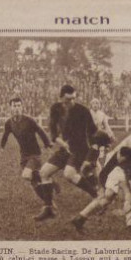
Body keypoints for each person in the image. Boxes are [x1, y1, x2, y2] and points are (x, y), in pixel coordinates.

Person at [36, 84, 100, 222]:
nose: (71, 102)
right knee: (44, 173)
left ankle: (97, 197)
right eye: (68, 99)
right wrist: (63, 143)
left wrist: (93, 153)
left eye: (73, 99)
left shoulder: (82, 111)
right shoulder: (55, 108)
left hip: (80, 148)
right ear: (61, 98)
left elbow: (94, 132)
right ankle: (48, 208)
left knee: (69, 174)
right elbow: (53, 131)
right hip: (65, 148)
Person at [0, 96, 56, 218]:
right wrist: (1, 147)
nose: (17, 108)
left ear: (22, 107)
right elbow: (5, 135)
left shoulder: (29, 120)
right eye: (14, 106)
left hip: (35, 154)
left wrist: (47, 143)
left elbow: (40, 131)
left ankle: (49, 199)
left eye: (19, 105)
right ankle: (49, 199)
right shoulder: (9, 123)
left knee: (26, 175)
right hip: (23, 155)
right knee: (34, 181)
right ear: (10, 107)